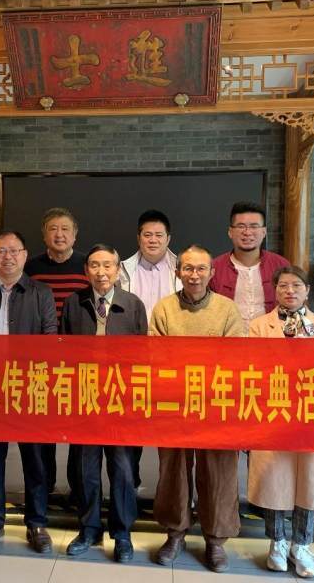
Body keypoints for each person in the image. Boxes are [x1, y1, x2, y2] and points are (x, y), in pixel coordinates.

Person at [0, 230, 57, 554]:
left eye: (14, 250)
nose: (8, 257)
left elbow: (50, 337)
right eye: (1, 251)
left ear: (25, 255)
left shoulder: (41, 293)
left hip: (30, 386)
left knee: (35, 459)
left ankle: (37, 523)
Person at [150, 245, 242, 573]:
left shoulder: (227, 309)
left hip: (216, 403)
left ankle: (215, 539)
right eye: (187, 268)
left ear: (212, 273)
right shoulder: (164, 308)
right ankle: (175, 533)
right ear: (178, 272)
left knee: (219, 472)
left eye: (201, 269)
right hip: (174, 402)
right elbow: (155, 354)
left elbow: (235, 357)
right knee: (173, 470)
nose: (194, 275)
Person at [61, 244, 147, 563]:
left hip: (120, 401)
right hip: (85, 399)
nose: (101, 272)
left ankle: (122, 533)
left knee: (123, 469)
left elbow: (143, 356)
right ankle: (88, 529)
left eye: (108, 265)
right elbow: (63, 351)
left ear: (117, 270)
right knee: (86, 469)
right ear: (86, 271)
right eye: (95, 265)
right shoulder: (73, 303)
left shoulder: (133, 305)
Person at [247, 265, 314, 578]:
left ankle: (303, 544)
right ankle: (277, 542)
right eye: (283, 285)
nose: (290, 291)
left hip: (311, 414)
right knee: (275, 479)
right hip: (274, 411)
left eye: (297, 285)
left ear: (307, 291)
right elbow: (253, 368)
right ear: (274, 291)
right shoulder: (259, 326)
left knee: (309, 479)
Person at [24, 207, 89, 497]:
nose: (59, 234)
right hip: (41, 359)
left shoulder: (87, 266)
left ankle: (78, 486)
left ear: (75, 234)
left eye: (65, 229)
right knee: (43, 425)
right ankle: (45, 484)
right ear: (44, 234)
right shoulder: (31, 268)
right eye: (53, 229)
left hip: (79, 359)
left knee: (78, 426)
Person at [118, 209, 181, 489]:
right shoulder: (122, 269)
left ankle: (171, 490)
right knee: (131, 425)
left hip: (172, 361)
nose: (153, 240)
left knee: (171, 428)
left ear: (168, 238)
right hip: (133, 359)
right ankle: (130, 485)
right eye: (147, 235)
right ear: (138, 238)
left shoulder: (184, 268)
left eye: (158, 235)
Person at [209, 202, 290, 336]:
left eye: (254, 226)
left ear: (264, 232)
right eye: (241, 226)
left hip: (272, 341)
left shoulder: (281, 266)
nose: (247, 232)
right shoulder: (214, 268)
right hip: (228, 341)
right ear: (230, 232)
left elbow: (296, 306)